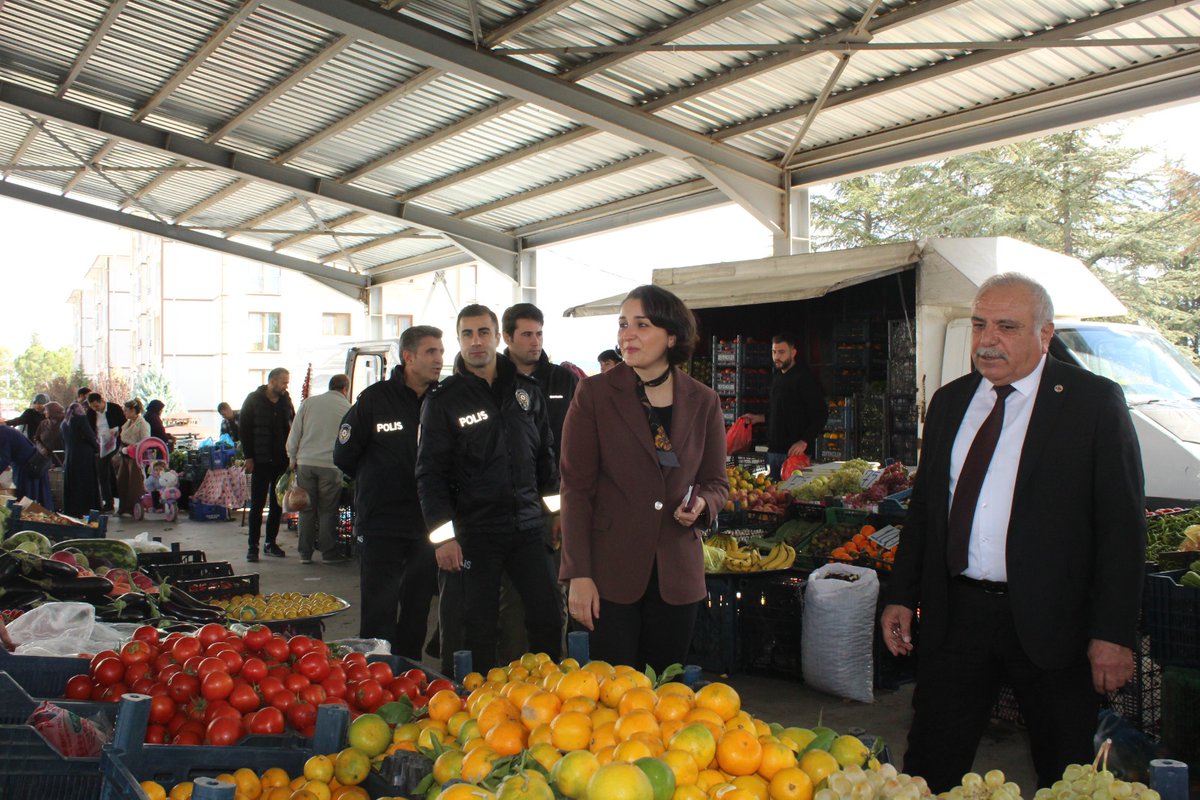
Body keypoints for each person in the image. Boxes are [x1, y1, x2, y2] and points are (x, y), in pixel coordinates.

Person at [879, 273, 1146, 791]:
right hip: (957, 616)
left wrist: (1113, 633)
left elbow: (1121, 528)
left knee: (1063, 770)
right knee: (930, 763)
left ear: (1044, 336)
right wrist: (901, 594)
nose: (986, 340)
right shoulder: (952, 402)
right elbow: (927, 510)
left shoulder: (1091, 404)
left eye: (1006, 326)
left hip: (1054, 623)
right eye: (980, 324)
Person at [560, 285, 729, 673]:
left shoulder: (703, 401)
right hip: (609, 574)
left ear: (672, 336)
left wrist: (704, 505)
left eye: (642, 324)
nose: (627, 335)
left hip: (677, 577)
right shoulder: (594, 394)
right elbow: (576, 490)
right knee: (612, 696)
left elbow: (717, 482)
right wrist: (578, 574)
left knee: (666, 697)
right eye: (622, 325)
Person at [417, 303, 562, 672]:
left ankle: (550, 698)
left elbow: (545, 459)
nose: (476, 341)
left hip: (528, 530)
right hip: (474, 536)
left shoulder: (527, 392)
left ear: (498, 337)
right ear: (459, 341)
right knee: (473, 629)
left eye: (483, 332)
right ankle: (471, 704)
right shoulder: (443, 400)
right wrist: (443, 539)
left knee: (547, 617)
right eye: (467, 334)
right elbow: (429, 476)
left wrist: (556, 513)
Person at [335, 326, 444, 660]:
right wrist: (379, 483)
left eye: (441, 352)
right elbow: (344, 455)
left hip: (427, 525)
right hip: (381, 523)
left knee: (417, 607)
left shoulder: (445, 400)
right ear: (408, 357)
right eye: (431, 352)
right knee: (379, 608)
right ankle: (375, 674)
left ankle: (409, 672)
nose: (439, 359)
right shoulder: (374, 399)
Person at [501, 302, 580, 655]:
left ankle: (553, 668)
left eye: (539, 334)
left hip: (555, 502)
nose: (535, 342)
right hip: (505, 507)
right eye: (527, 334)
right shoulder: (492, 381)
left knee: (552, 593)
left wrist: (560, 510)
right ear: (507, 337)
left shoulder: (564, 381)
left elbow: (580, 441)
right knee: (509, 599)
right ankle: (511, 669)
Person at [287, 374, 352, 565]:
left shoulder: (309, 403)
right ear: (345, 389)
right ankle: (328, 553)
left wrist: (292, 457)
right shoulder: (347, 408)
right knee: (327, 511)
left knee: (306, 509)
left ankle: (304, 554)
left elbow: (295, 431)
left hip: (306, 463)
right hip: (331, 465)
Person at [745, 333, 825, 480]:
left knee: (791, 497)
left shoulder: (804, 379)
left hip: (794, 456)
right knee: (774, 498)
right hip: (773, 452)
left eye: (781, 352)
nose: (777, 357)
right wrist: (758, 418)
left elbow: (821, 415)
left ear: (793, 353)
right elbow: (780, 412)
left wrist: (804, 441)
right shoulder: (777, 377)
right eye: (774, 352)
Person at [240, 368, 295, 562]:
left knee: (277, 504)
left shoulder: (286, 401)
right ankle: (252, 546)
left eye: (287, 382)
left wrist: (293, 456)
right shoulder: (253, 400)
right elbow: (244, 429)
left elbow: (293, 426)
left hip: (281, 461)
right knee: (257, 504)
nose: (285, 386)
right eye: (283, 382)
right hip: (260, 461)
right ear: (271, 381)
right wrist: (249, 457)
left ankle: (270, 543)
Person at [86, 392, 124, 513]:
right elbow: (90, 428)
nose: (95, 409)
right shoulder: (91, 413)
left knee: (106, 471)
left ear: (102, 401)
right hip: (100, 444)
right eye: (92, 407)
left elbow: (123, 424)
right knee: (104, 472)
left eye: (97, 406)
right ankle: (109, 500)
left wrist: (117, 430)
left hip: (114, 442)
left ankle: (112, 500)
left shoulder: (114, 408)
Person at [61, 402, 101, 517]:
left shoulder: (64, 422)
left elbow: (63, 441)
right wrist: (96, 448)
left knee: (73, 483)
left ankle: (73, 509)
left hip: (70, 456)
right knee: (85, 482)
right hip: (84, 457)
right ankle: (87, 508)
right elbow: (90, 436)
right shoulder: (81, 419)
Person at [0, 425, 54, 508]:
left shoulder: (2, 433)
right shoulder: (5, 430)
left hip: (29, 467)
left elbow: (4, 459)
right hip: (28, 465)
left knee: (28, 501)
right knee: (34, 499)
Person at [114, 399, 150, 516]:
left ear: (133, 410)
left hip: (135, 455)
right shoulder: (127, 423)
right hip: (125, 454)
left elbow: (145, 441)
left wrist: (131, 448)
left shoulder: (143, 424)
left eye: (126, 410)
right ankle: (123, 507)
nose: (124, 412)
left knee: (134, 482)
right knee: (122, 481)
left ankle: (135, 507)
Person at [34, 402, 66, 466]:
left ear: (52, 411)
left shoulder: (65, 423)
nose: (44, 412)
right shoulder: (43, 423)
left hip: (62, 459)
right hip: (46, 459)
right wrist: (41, 448)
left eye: (46, 410)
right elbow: (36, 438)